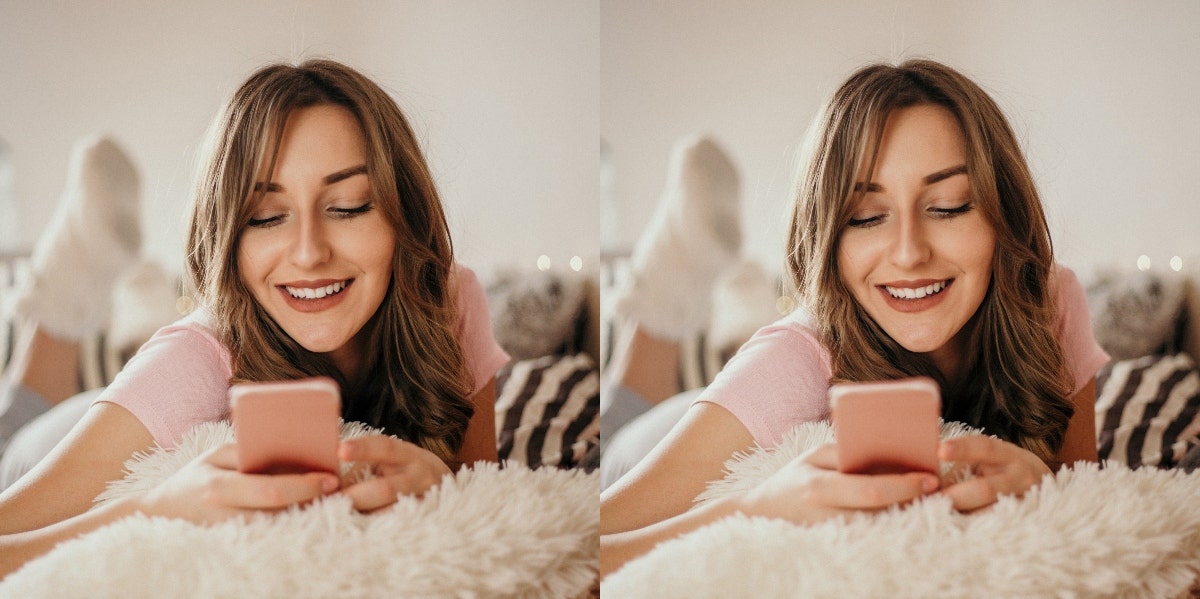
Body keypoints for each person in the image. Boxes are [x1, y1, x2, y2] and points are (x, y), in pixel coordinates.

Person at [599, 58, 1109, 579]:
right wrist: (753, 510)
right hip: (643, 439)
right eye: (865, 217)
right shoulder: (790, 361)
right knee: (615, 414)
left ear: (1006, 217)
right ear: (829, 238)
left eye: (949, 206)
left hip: (750, 395)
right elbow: (587, 547)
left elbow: (1095, 510)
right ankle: (669, 285)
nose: (909, 254)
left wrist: (1048, 486)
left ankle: (731, 290)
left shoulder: (1049, 300)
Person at [0, 58, 509, 578]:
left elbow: (492, 505)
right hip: (45, 439)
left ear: (405, 216)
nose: (309, 253)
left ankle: (132, 294)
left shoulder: (449, 300)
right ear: (229, 239)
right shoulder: (191, 361)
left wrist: (448, 486)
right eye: (266, 217)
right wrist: (152, 512)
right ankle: (67, 288)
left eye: (349, 206)